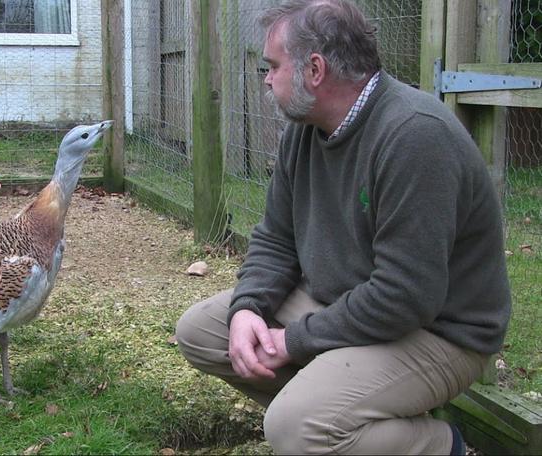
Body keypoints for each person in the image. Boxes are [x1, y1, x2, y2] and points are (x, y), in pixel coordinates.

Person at [175, 0, 512, 454]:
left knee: (294, 428)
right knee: (203, 332)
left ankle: (439, 444)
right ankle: (352, 411)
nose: (267, 78)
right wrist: (249, 309)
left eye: (273, 66)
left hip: (436, 333)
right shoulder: (307, 129)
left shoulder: (414, 136)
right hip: (342, 303)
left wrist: (295, 341)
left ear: (314, 69)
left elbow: (405, 296)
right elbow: (275, 238)